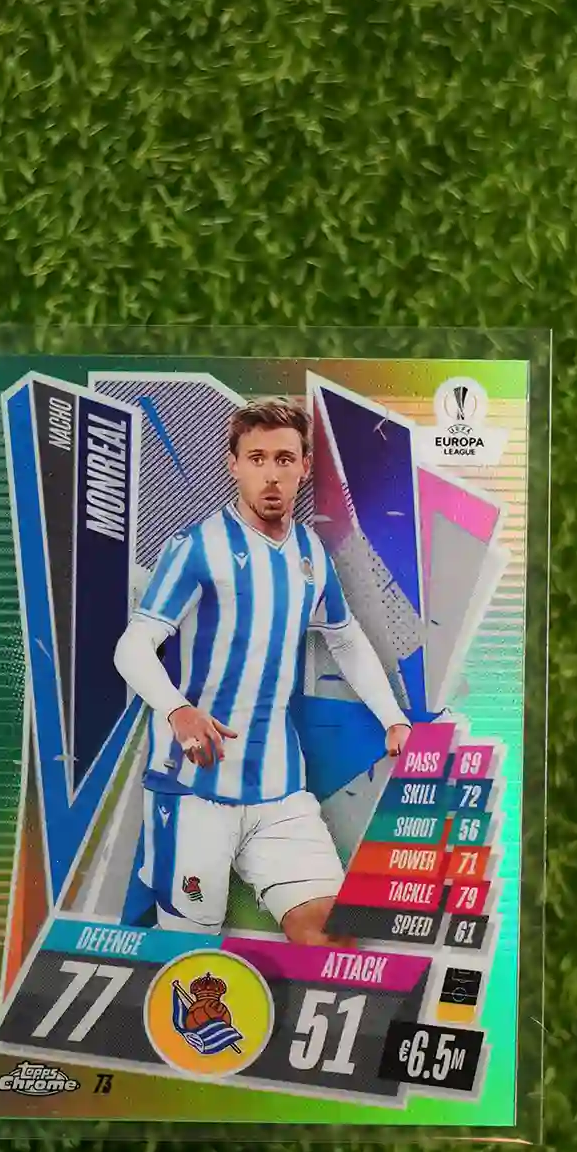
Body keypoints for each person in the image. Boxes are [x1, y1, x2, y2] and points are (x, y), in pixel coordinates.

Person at [113, 397, 410, 945]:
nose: (271, 474)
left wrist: (393, 717)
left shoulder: (310, 553)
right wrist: (178, 710)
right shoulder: (199, 549)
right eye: (256, 458)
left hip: (280, 792)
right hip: (193, 791)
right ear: (233, 464)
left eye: (284, 458)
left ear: (303, 466)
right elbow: (132, 646)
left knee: (331, 935)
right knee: (189, 954)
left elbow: (344, 636)